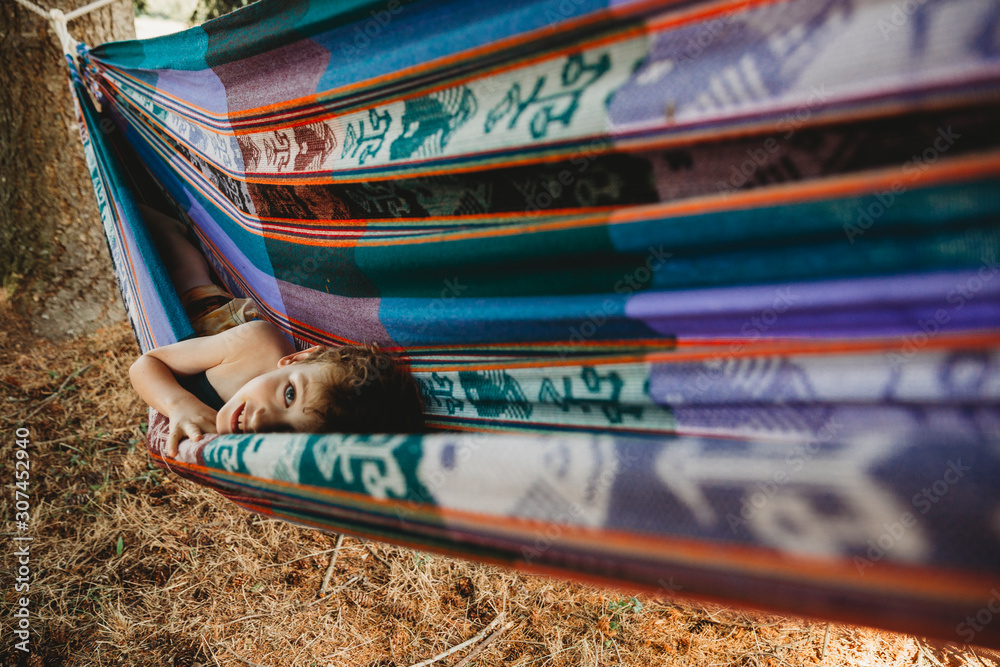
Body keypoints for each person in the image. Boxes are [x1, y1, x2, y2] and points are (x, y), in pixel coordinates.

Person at [129, 205, 424, 457]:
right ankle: (163, 224)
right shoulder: (255, 344)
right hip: (206, 318)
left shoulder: (259, 450)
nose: (262, 421)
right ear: (295, 360)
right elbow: (147, 364)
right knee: (187, 273)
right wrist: (179, 404)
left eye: (287, 434)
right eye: (290, 394)